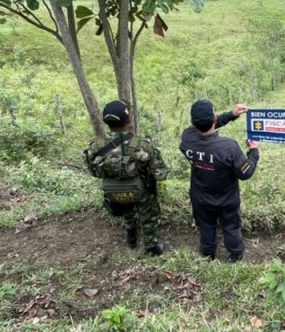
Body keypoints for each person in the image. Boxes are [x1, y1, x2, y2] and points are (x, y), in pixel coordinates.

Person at [85, 100, 169, 256]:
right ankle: (151, 247)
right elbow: (160, 174)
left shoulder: (98, 145)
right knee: (148, 214)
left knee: (126, 207)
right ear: (128, 120)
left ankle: (131, 237)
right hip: (140, 191)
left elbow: (94, 172)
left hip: (113, 191)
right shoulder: (141, 144)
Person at [180, 100, 259, 262]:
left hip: (200, 197)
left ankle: (208, 254)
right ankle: (235, 255)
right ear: (214, 118)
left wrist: (231, 115)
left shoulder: (187, 138)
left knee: (206, 226)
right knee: (231, 227)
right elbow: (245, 173)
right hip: (226, 200)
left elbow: (205, 126)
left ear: (192, 122)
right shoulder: (228, 147)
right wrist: (253, 152)